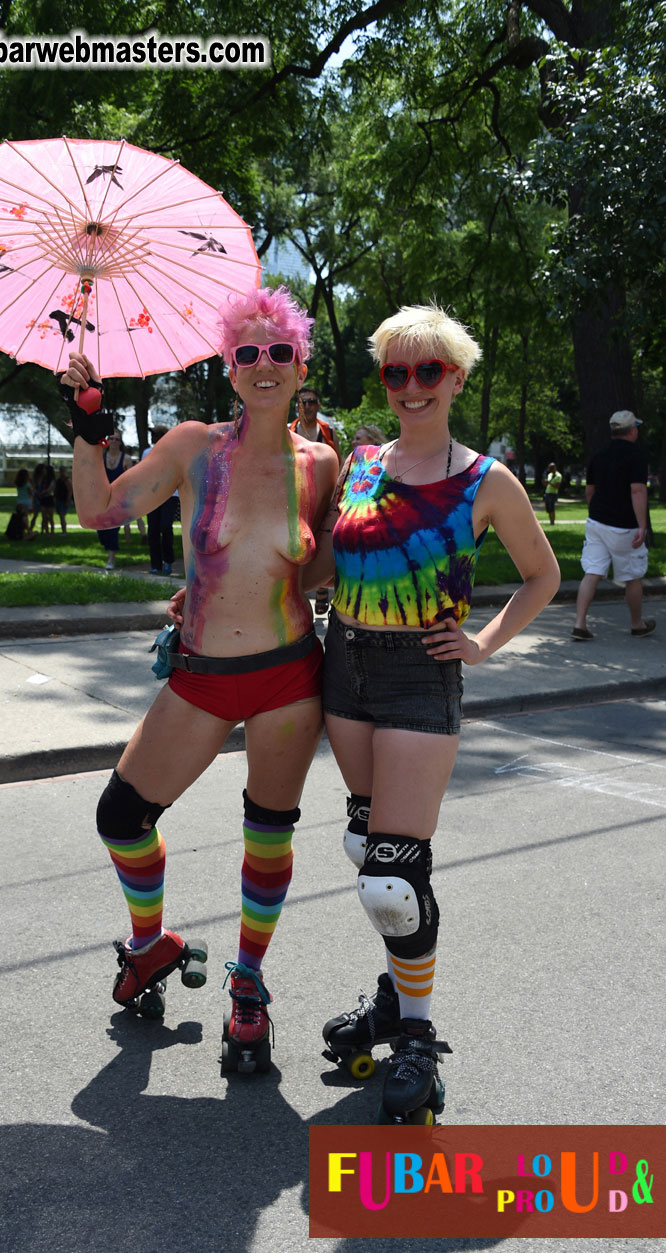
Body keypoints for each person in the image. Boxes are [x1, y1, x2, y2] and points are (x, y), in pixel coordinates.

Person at [60, 286, 337, 1065]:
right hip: (201, 675)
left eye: (278, 351)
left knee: (267, 832)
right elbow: (98, 511)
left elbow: (316, 570)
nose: (263, 364)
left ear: (298, 363)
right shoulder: (193, 447)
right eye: (246, 352)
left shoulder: (319, 463)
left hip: (288, 677)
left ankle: (248, 980)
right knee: (121, 816)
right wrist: (88, 431)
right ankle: (149, 943)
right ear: (228, 366)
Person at [313, 303, 559, 1122]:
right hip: (344, 667)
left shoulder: (486, 479)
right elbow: (322, 564)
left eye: (428, 371)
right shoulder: (361, 465)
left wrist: (484, 643)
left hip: (422, 675)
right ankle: (394, 994)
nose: (411, 386)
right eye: (396, 371)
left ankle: (415, 1036)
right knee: (367, 847)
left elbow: (543, 575)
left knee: (392, 875)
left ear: (455, 377)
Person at [572, 410, 655, 640]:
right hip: (624, 526)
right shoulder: (636, 455)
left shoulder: (599, 455)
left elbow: (590, 491)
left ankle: (580, 624)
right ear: (632, 430)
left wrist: (596, 514)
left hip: (597, 522)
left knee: (592, 572)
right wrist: (642, 525)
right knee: (632, 575)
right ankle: (637, 624)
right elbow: (637, 490)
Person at [289, 388, 340, 614]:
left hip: (322, 492)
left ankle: (319, 588)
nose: (307, 406)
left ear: (318, 405)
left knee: (320, 539)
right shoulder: (288, 430)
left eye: (311, 402)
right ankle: (304, 588)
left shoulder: (326, 431)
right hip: (295, 493)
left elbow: (337, 459)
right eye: (303, 402)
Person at [142, 425, 178, 575]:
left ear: (164, 435)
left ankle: (168, 560)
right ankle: (156, 565)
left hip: (170, 495)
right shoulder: (147, 452)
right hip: (152, 496)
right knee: (153, 531)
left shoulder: (174, 452)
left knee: (165, 526)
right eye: (151, 434)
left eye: (156, 434)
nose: (152, 437)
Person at [97, 434, 136, 570]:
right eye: (111, 439)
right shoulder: (101, 457)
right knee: (101, 529)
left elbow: (130, 479)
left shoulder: (126, 459)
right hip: (102, 497)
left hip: (118, 498)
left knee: (113, 528)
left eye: (116, 439)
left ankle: (111, 558)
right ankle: (107, 546)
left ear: (120, 442)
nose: (113, 441)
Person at [54, 465, 72, 534]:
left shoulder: (67, 480)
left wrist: (67, 500)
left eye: (63, 471)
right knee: (61, 517)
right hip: (59, 500)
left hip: (64, 500)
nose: (61, 472)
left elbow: (70, 491)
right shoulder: (58, 480)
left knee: (62, 516)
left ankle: (64, 532)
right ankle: (63, 531)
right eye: (61, 471)